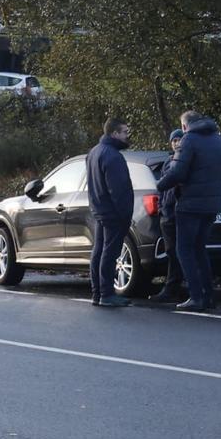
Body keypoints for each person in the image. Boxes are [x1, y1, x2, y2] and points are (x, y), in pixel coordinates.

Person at [157, 111, 221, 312]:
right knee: (199, 248)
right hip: (213, 204)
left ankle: (195, 296)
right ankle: (208, 296)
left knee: (184, 250)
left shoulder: (189, 140)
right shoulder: (218, 140)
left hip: (190, 204)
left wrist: (160, 185)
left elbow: (178, 171)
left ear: (185, 126)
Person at [86, 117, 135, 307]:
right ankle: (107, 293)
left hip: (99, 210)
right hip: (113, 212)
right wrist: (125, 214)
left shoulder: (94, 152)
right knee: (109, 252)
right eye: (124, 132)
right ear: (114, 133)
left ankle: (98, 293)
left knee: (99, 251)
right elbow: (119, 189)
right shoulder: (113, 156)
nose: (127, 136)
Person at [149, 129, 186, 303]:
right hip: (169, 214)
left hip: (180, 213)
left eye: (180, 139)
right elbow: (162, 189)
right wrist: (163, 209)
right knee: (172, 252)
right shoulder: (167, 163)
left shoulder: (184, 161)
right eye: (174, 140)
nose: (177, 143)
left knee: (182, 252)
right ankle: (173, 288)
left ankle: (174, 288)